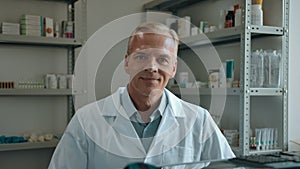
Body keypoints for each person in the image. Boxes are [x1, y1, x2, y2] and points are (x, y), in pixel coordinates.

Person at [48, 22, 235, 169]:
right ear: (127, 63)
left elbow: (230, 168)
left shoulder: (199, 121)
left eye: (162, 59)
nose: (152, 67)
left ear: (173, 68)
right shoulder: (86, 121)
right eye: (141, 57)